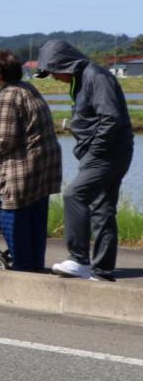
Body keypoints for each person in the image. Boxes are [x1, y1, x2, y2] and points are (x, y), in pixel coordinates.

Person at [36, 40, 135, 281]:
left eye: (53, 71)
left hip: (107, 153)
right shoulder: (82, 78)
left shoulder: (95, 77)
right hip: (106, 152)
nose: (54, 77)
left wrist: (94, 152)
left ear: (65, 63)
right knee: (102, 208)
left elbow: (110, 118)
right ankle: (102, 271)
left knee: (74, 195)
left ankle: (79, 260)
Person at [0, 50, 61, 272]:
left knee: (11, 218)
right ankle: (34, 267)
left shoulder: (7, 95)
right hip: (44, 166)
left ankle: (23, 270)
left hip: (23, 168)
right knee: (35, 219)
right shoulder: (28, 89)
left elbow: (6, 141)